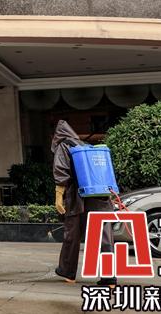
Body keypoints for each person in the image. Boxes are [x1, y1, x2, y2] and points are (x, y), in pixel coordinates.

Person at [52, 120, 117, 285]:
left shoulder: (64, 146)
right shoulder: (86, 146)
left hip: (79, 198)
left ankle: (68, 273)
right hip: (101, 197)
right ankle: (109, 278)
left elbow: (61, 172)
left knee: (72, 235)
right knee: (104, 236)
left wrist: (59, 196)